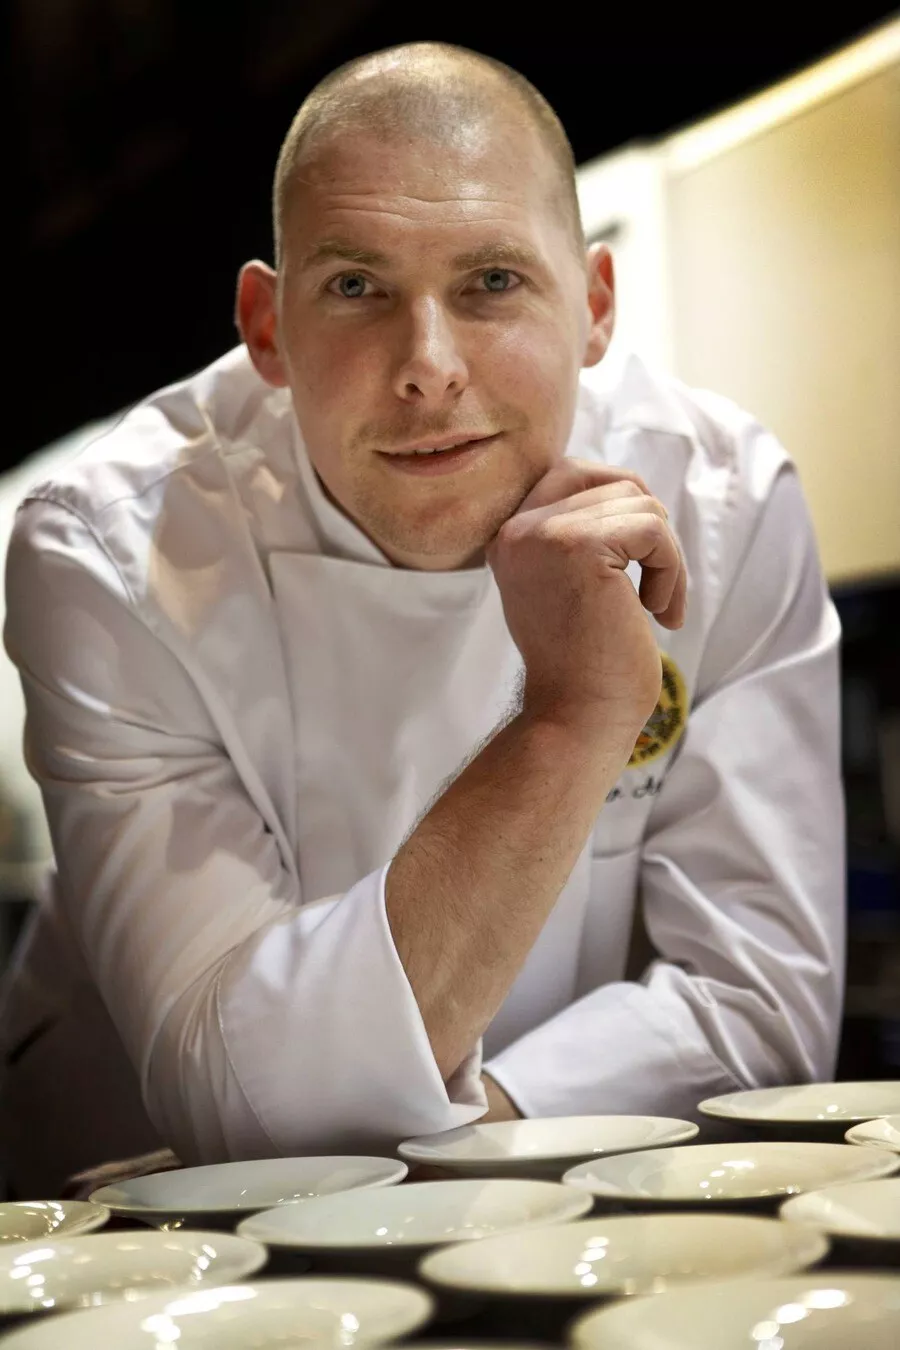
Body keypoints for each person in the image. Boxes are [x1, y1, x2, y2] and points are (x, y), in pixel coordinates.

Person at [0, 42, 844, 1198]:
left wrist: (453, 1141)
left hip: (555, 1196)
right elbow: (236, 1098)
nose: (428, 368)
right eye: (357, 287)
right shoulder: (109, 550)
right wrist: (573, 716)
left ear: (595, 306)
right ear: (267, 328)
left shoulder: (723, 500)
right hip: (139, 1218)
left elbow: (767, 1001)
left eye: (492, 280)